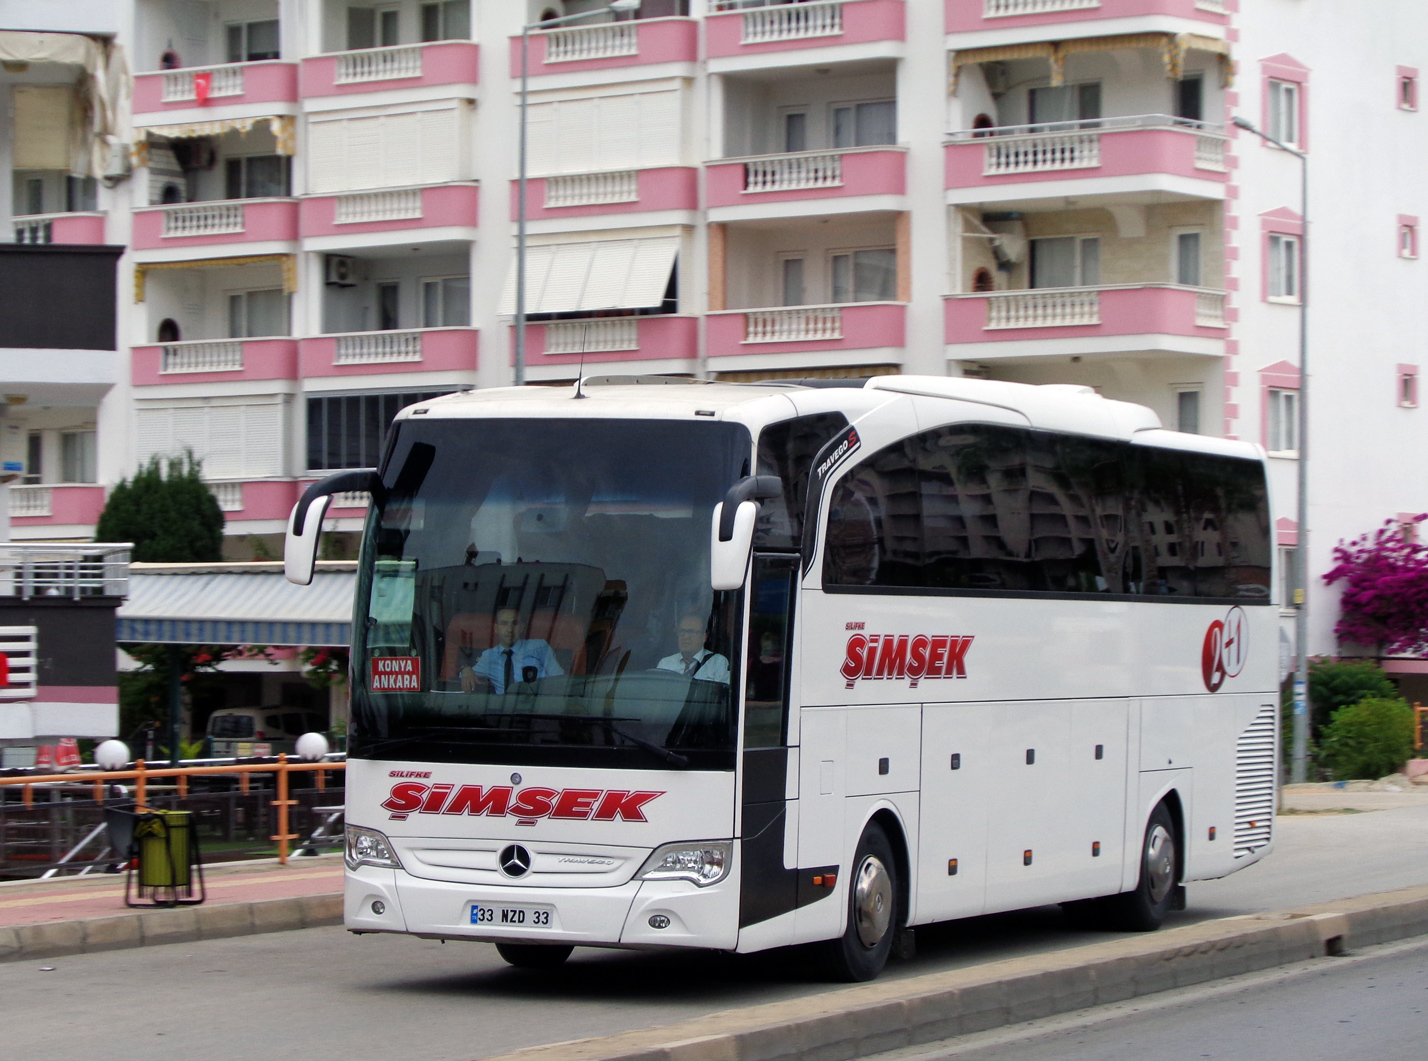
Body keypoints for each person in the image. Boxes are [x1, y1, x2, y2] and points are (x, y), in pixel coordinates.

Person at [459, 607, 562, 693]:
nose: (510, 629)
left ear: (521, 627)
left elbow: (558, 678)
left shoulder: (539, 646)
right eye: (504, 623)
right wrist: (465, 669)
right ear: (496, 628)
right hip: (505, 708)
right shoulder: (489, 656)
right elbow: (464, 677)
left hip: (538, 704)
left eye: (515, 623)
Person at [655, 612, 730, 684]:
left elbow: (722, 692)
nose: (686, 636)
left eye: (691, 632)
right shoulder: (665, 664)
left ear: (704, 637)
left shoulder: (718, 663)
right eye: (682, 631)